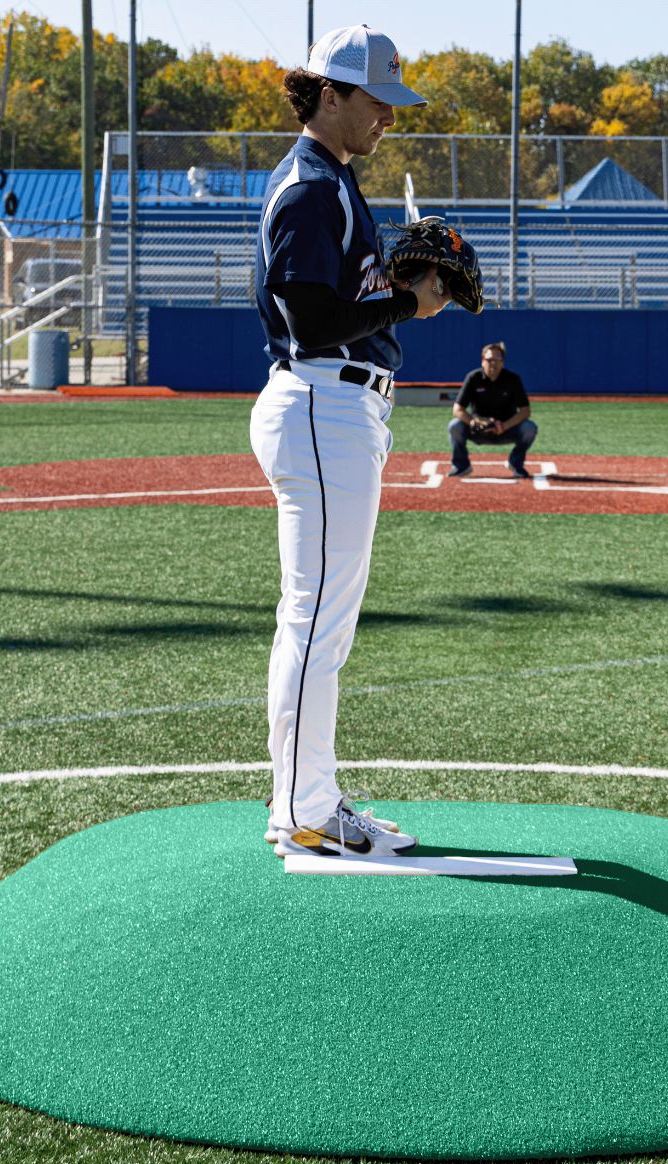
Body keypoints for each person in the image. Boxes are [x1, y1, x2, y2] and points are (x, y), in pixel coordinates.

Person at [249, 25, 451, 860]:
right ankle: (304, 808)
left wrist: (394, 288)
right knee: (315, 621)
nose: (387, 119)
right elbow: (311, 322)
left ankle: (307, 798)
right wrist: (409, 306)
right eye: (376, 100)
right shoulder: (310, 188)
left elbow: (333, 301)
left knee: (320, 620)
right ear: (328, 94)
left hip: (338, 409)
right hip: (322, 405)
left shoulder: (334, 183)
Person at [448, 343, 537, 478]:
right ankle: (461, 465)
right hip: (478, 429)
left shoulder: (512, 379)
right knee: (455, 426)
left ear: (503, 362)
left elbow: (525, 411)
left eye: (497, 360)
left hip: (506, 428)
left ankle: (516, 462)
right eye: (489, 360)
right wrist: (473, 422)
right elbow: (457, 409)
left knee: (529, 428)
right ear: (482, 361)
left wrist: (503, 426)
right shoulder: (473, 378)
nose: (493, 364)